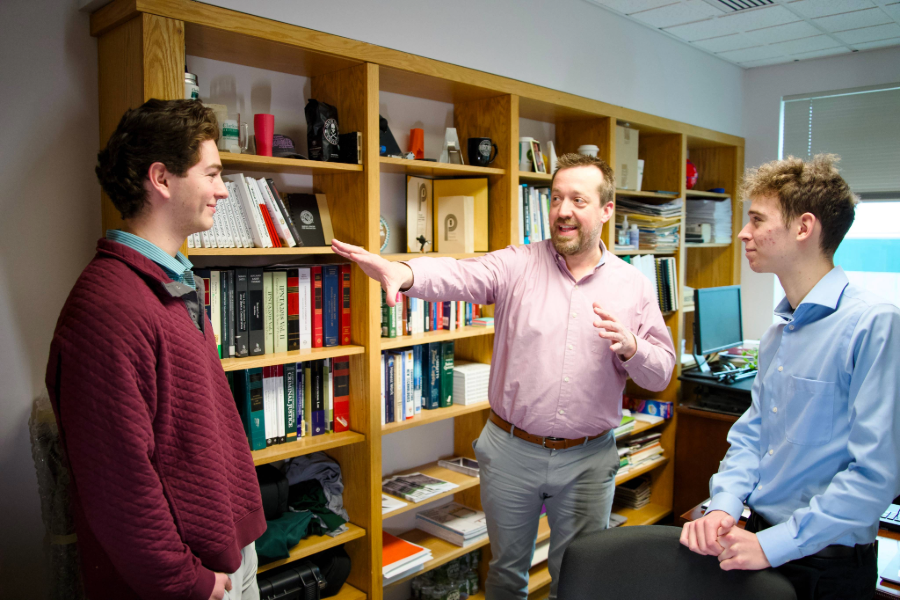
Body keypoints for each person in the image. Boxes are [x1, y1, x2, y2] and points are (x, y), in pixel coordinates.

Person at [332, 153, 675, 599]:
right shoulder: (517, 264)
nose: (563, 211)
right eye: (556, 199)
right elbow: (459, 274)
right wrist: (404, 272)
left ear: (606, 210)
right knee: (506, 572)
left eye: (578, 200)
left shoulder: (633, 286)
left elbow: (661, 372)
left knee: (577, 580)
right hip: (512, 453)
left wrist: (633, 347)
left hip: (588, 462)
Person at [45, 99, 265, 600]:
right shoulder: (108, 308)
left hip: (228, 554)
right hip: (188, 581)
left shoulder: (174, 280)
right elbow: (117, 486)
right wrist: (188, 582)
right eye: (211, 174)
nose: (223, 191)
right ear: (162, 179)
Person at [680, 154, 900, 599]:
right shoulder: (780, 330)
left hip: (823, 565)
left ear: (803, 227)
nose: (744, 232)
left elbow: (875, 474)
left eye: (757, 219)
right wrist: (723, 505)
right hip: (753, 542)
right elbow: (753, 435)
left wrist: (774, 545)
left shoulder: (874, 324)